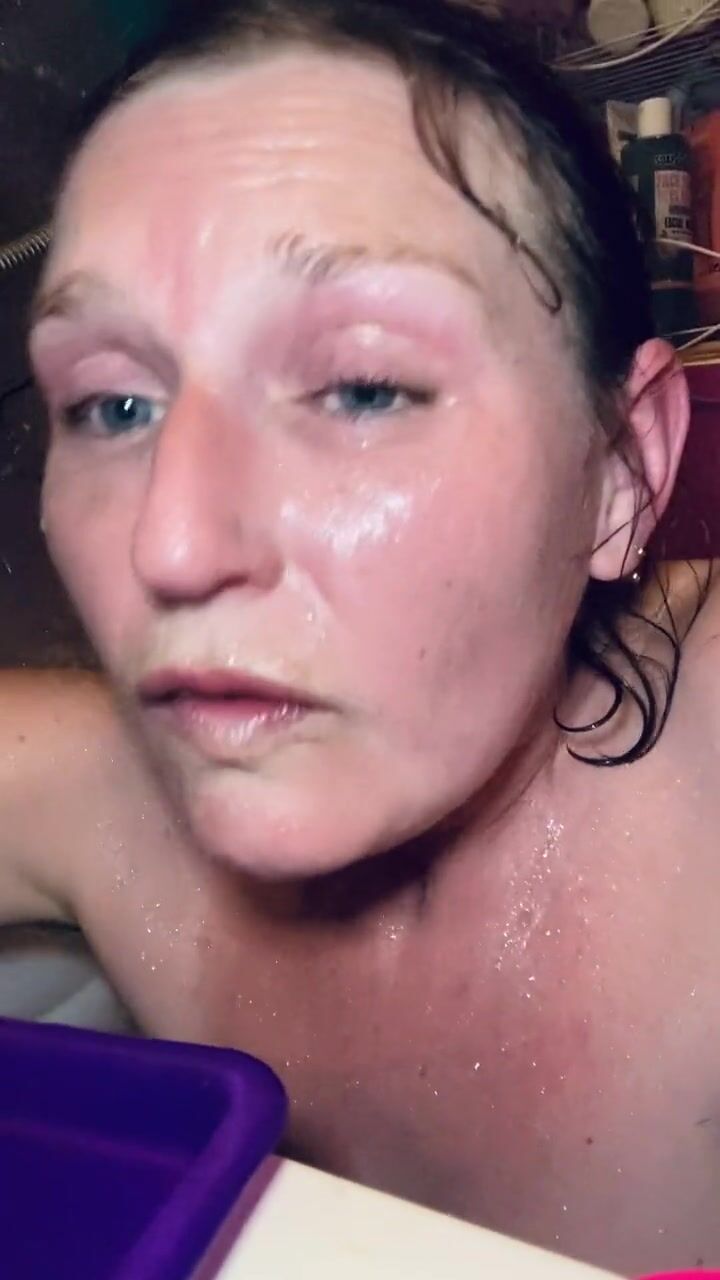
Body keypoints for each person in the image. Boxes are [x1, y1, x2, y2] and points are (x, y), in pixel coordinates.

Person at [5, 0, 720, 1269]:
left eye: (363, 386)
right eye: (113, 405)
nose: (173, 542)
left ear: (621, 468)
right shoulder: (93, 791)